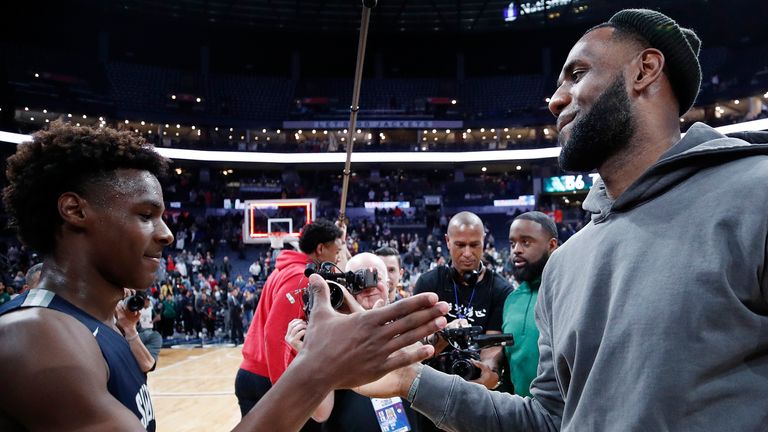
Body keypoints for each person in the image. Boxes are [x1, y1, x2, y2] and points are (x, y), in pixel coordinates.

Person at [356, 8, 768, 431]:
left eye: (577, 74)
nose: (555, 100)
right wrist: (409, 379)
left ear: (645, 69)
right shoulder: (565, 264)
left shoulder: (756, 194)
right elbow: (549, 419)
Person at [0, 121, 450, 431]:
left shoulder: (88, 324)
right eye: (145, 215)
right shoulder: (36, 337)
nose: (166, 233)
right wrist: (317, 369)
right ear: (75, 211)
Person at [285, 253, 420, 431]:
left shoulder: (409, 325)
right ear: (346, 286)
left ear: (389, 284)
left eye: (374, 277)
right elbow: (320, 413)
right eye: (357, 279)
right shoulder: (332, 336)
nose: (367, 286)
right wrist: (308, 356)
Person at [235, 218, 345, 429]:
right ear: (321, 249)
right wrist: (282, 391)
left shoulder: (287, 270)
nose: (339, 256)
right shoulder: (301, 278)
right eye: (337, 250)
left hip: (255, 373)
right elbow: (275, 335)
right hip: (266, 379)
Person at [413, 211, 514, 432]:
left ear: (484, 242)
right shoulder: (429, 283)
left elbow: (494, 345)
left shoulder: (500, 289)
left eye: (474, 245)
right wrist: (443, 336)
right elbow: (417, 344)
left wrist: (487, 372)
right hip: (433, 390)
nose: (467, 253)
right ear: (448, 242)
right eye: (460, 245)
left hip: (476, 393)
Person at [501, 211, 558, 397]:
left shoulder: (568, 292)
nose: (516, 249)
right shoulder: (511, 300)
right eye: (512, 243)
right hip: (520, 416)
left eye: (526, 242)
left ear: (551, 246)